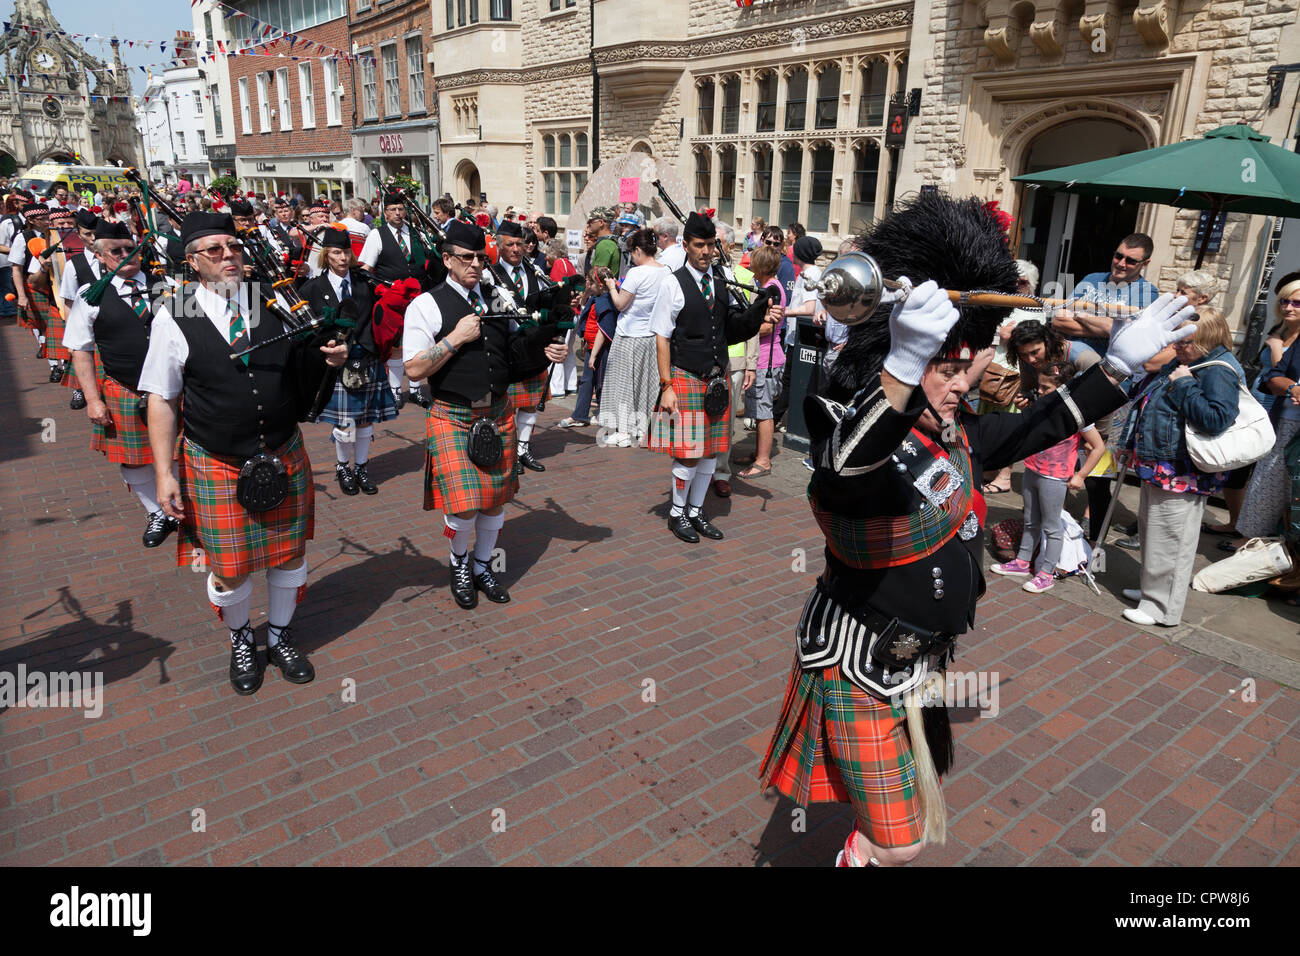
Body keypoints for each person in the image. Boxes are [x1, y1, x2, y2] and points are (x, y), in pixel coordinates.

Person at [759, 192, 1196, 868]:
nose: (969, 377)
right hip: (860, 667)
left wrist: (1118, 366)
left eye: (971, 359)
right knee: (900, 844)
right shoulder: (850, 430)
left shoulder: (958, 435)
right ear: (898, 353)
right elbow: (847, 470)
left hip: (921, 660)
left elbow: (1044, 421)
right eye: (947, 362)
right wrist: (904, 368)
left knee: (901, 818)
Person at [139, 212, 349, 695]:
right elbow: (162, 398)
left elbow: (304, 370)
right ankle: (240, 638)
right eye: (214, 250)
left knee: (289, 556)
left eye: (232, 246)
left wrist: (330, 359)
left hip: (282, 451)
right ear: (192, 262)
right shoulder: (177, 312)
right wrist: (164, 473)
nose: (228, 255)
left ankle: (278, 637)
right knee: (229, 568)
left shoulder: (271, 303)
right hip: (216, 458)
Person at [402, 219, 566, 609]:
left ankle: (482, 565)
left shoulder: (496, 297)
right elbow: (413, 369)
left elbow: (514, 354)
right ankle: (459, 562)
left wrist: (544, 352)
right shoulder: (426, 305)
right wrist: (455, 339)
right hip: (452, 413)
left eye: (480, 257)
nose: (475, 264)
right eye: (466, 258)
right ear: (447, 260)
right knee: (461, 506)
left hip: (496, 412)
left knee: (494, 500)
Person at [647, 212, 776, 542]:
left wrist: (760, 309)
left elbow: (732, 329)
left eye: (709, 246)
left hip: (716, 381)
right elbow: (662, 337)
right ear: (686, 246)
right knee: (688, 451)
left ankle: (695, 510)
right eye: (699, 245)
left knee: (710, 451)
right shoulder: (672, 283)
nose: (706, 252)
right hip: (685, 377)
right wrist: (667, 386)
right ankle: (677, 514)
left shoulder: (720, 282)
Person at [1118, 308, 1241, 627]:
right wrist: (1130, 443)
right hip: (1160, 465)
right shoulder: (1188, 361)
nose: (1177, 346)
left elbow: (1216, 419)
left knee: (1171, 542)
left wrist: (1185, 385)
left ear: (1205, 338)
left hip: (1182, 472)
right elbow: (1147, 400)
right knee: (1153, 535)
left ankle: (1162, 608)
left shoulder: (1218, 369)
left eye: (1185, 341)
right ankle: (1151, 592)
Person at [63, 220, 180, 548]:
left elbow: (197, 334)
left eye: (132, 249)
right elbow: (81, 351)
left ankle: (180, 506)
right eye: (117, 251)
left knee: (178, 452)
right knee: (132, 459)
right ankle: (157, 512)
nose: (127, 255)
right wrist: (92, 400)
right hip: (125, 388)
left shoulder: (168, 285)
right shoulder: (91, 296)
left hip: (173, 388)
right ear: (99, 256)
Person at [990, 362, 1106, 593]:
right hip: (1033, 468)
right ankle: (1023, 562)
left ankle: (1046, 573)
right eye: (1040, 387)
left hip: (1055, 476)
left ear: (1065, 388)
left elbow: (1098, 447)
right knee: (1031, 520)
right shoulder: (1041, 406)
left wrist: (1081, 475)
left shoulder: (1077, 413)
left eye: (1046, 388)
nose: (1040, 392)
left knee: (1052, 527)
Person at [300, 227, 394, 496]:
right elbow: (307, 328)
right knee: (344, 421)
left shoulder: (364, 282)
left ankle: (361, 467)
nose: (342, 258)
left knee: (365, 420)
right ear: (326, 255)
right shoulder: (313, 288)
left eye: (346, 252)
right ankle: (343, 466)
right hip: (334, 361)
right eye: (336, 252)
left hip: (364, 355)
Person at [1232, 272, 1300, 548]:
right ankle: (1249, 536)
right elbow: (1275, 375)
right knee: (1264, 476)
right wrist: (1293, 388)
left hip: (1282, 414)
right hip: (1276, 412)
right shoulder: (1280, 330)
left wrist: (1276, 350)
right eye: (1285, 301)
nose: (1288, 307)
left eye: (1296, 303)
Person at [360, 188, 432, 410]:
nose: (398, 213)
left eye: (401, 209)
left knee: (417, 341)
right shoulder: (376, 235)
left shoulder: (415, 233)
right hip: (392, 300)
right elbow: (365, 269)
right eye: (393, 209)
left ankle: (416, 389)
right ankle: (394, 391)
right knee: (397, 345)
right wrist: (381, 291)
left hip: (417, 296)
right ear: (385, 212)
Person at [597, 227, 668, 448]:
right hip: (652, 336)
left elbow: (620, 303)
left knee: (622, 384)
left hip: (628, 335)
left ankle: (624, 431)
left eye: (632, 252)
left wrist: (610, 286)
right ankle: (642, 429)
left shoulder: (637, 273)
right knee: (646, 385)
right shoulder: (667, 271)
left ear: (638, 250)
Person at [492, 219, 550, 473]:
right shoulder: (490, 274)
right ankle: (509, 453)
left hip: (534, 349)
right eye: (510, 244)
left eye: (520, 244)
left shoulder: (535, 272)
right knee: (507, 408)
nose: (516, 249)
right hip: (506, 350)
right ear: (499, 245)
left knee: (530, 403)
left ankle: (523, 449)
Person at [1051, 233, 1160, 357]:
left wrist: (1081, 315)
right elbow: (1058, 321)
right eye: (1118, 256)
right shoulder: (1092, 279)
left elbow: (1126, 333)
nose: (1121, 264)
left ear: (1145, 264)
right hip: (1066, 358)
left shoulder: (1146, 292)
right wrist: (1106, 328)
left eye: (1131, 261)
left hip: (1102, 366)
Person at [736, 245, 786, 480]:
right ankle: (759, 452)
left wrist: (745, 326)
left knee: (763, 411)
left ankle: (763, 461)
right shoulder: (768, 287)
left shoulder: (771, 290)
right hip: (768, 358)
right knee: (757, 409)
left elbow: (769, 326)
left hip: (767, 360)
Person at [557, 267, 619, 428]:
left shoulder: (605, 301)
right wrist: (586, 344)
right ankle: (579, 415)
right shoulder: (596, 299)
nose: (587, 284)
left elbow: (603, 330)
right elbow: (590, 325)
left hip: (602, 350)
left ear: (600, 285)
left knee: (600, 382)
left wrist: (593, 355)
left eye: (590, 282)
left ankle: (605, 414)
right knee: (586, 381)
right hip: (593, 347)